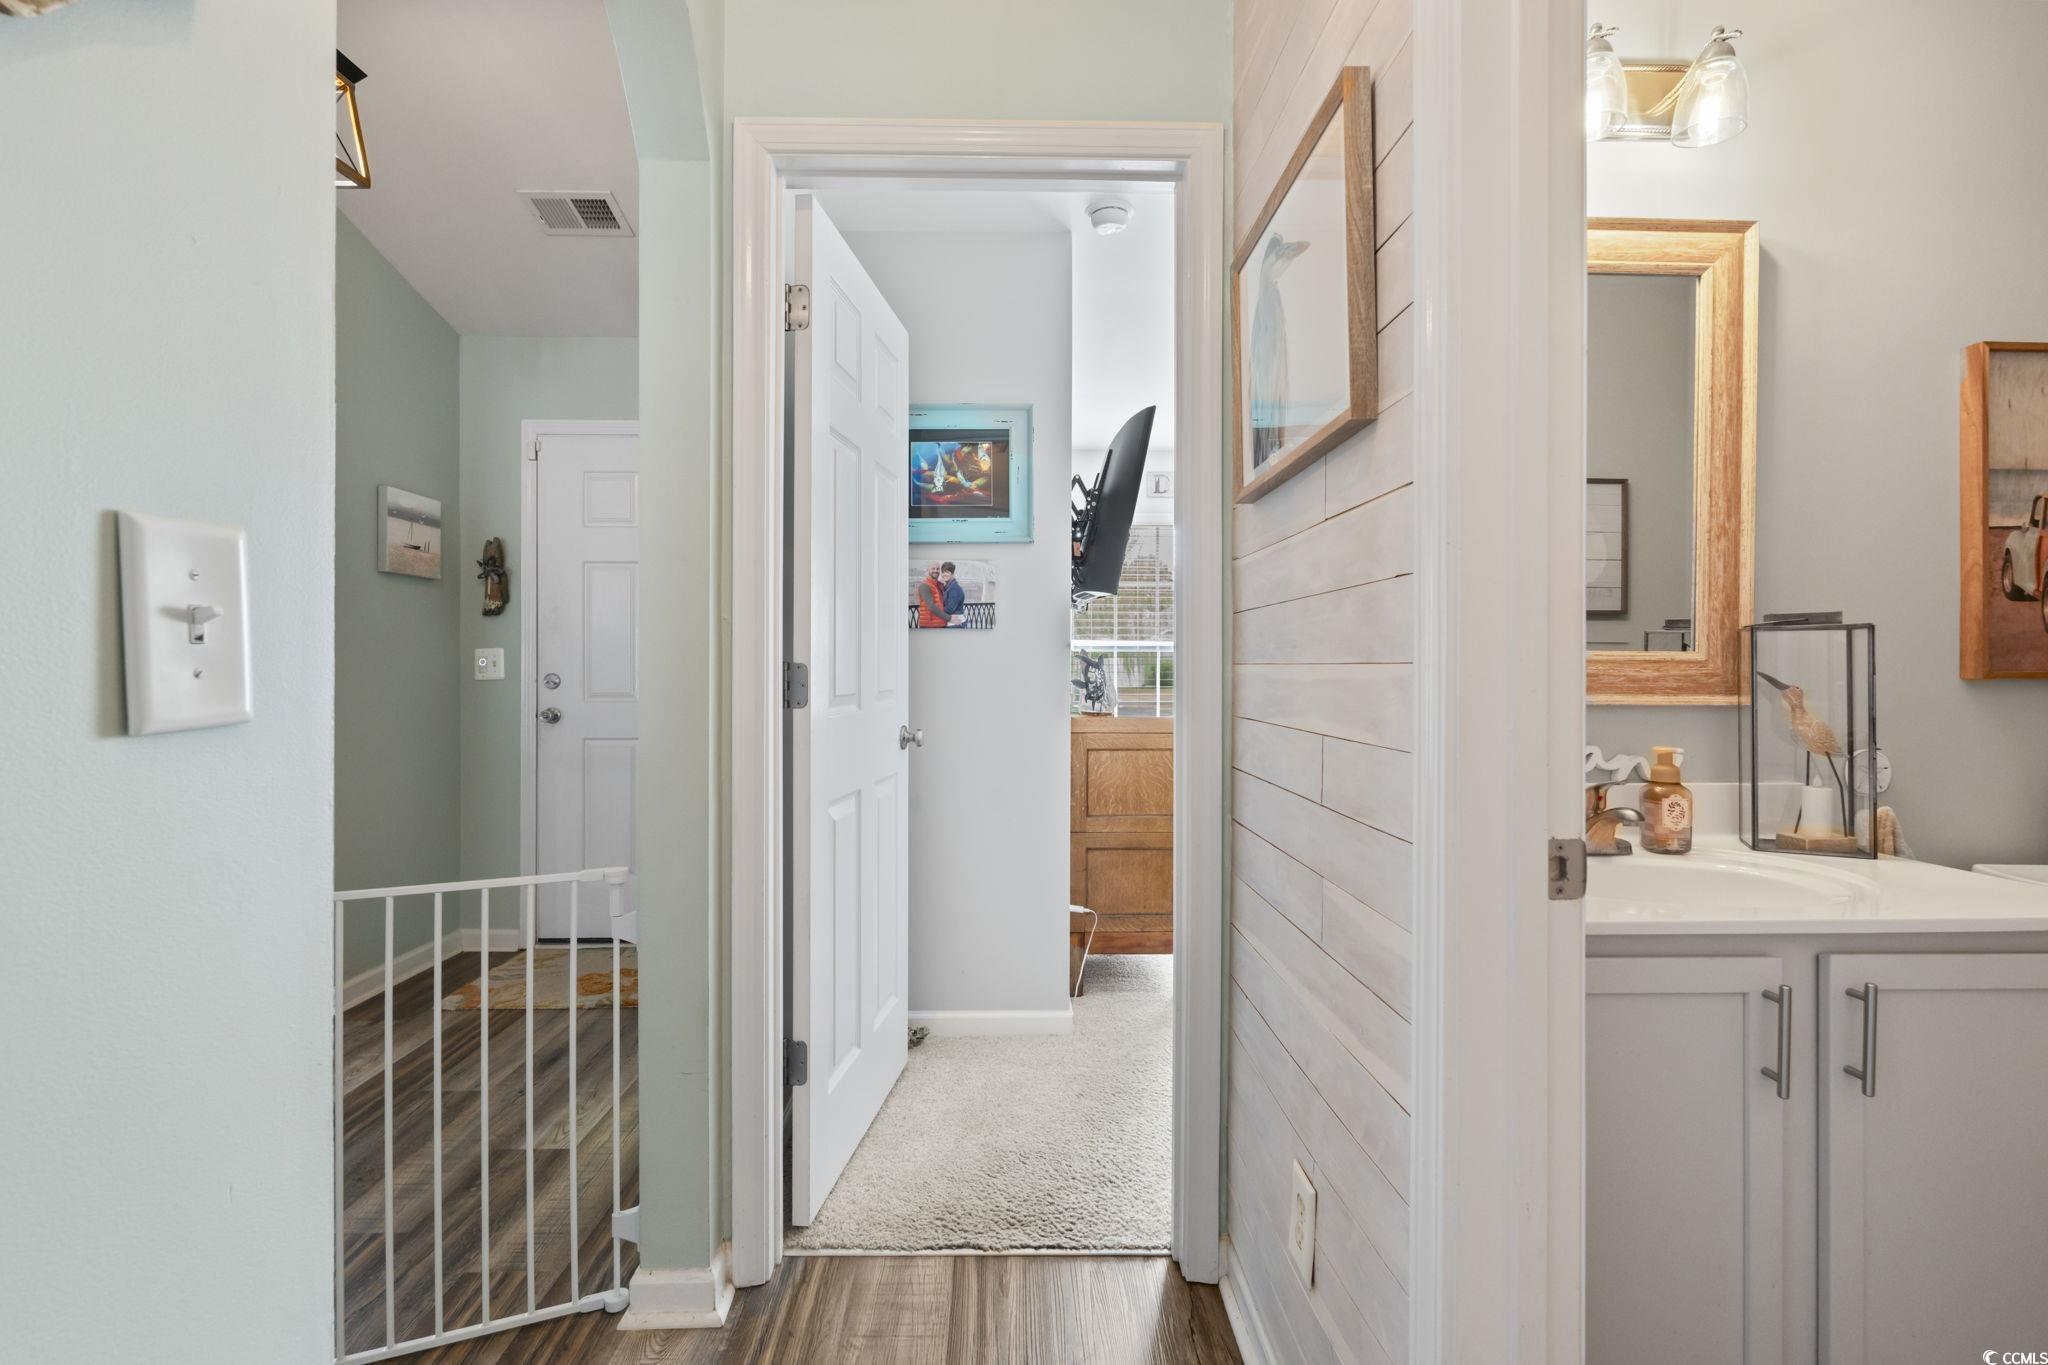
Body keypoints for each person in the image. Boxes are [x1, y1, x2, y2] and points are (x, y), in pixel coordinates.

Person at [915, 562, 950, 628]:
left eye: (937, 569)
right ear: (928, 570)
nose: (936, 571)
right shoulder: (924, 585)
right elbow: (931, 606)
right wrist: (949, 618)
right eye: (933, 569)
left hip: (940, 623)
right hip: (929, 625)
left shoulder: (939, 584)